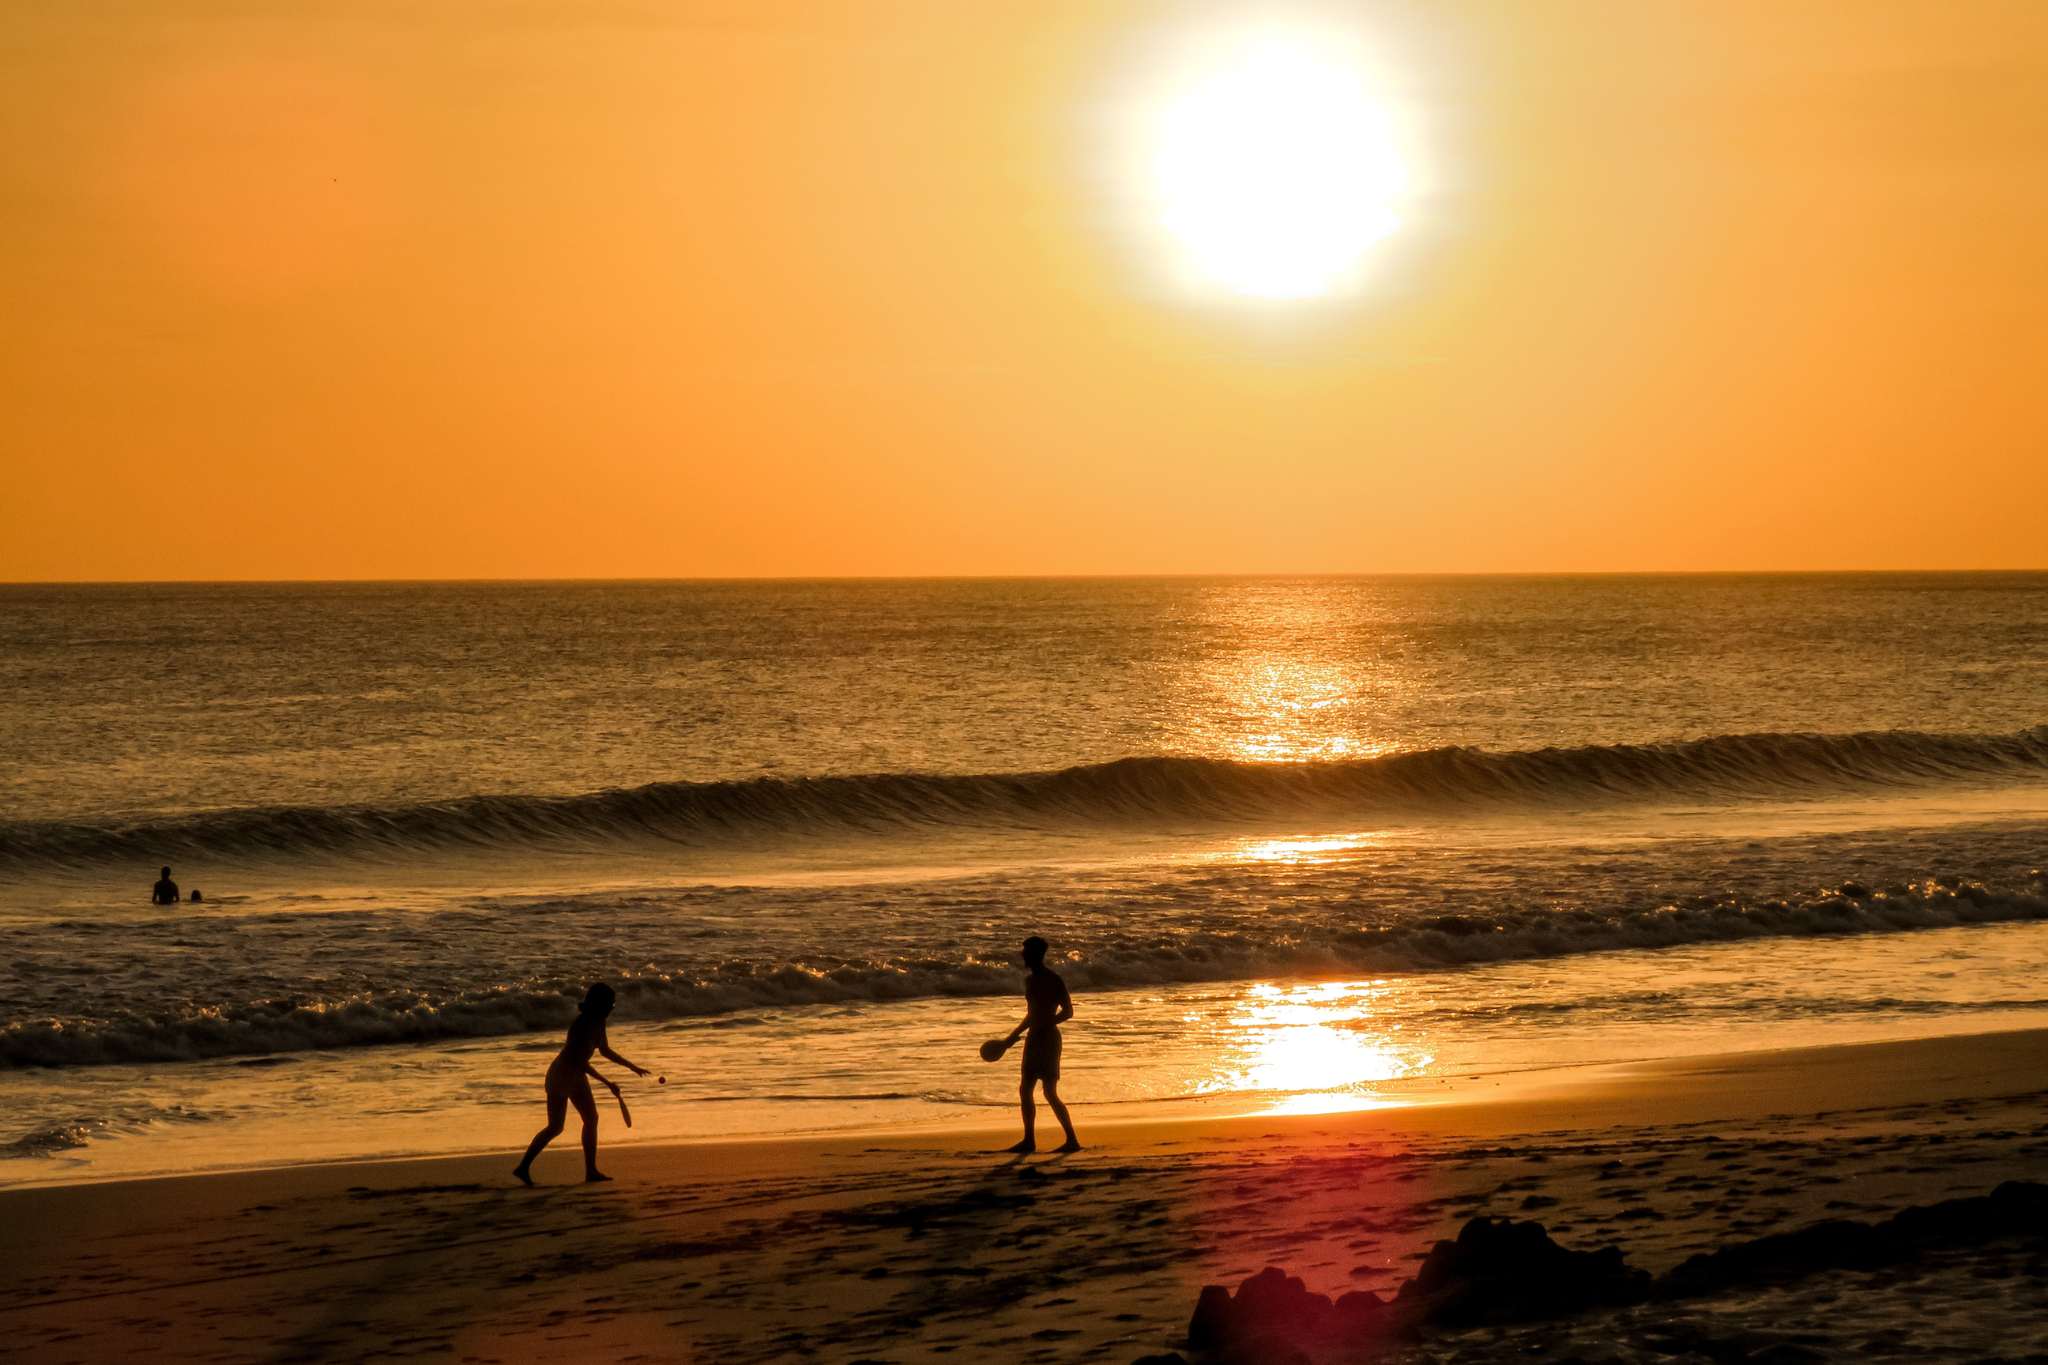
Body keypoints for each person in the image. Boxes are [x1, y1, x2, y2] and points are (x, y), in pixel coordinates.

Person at [514, 983, 648, 1185]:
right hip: (560, 1075)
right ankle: (523, 1167)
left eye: (613, 1004)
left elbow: (604, 1050)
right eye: (609, 1004)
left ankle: (591, 1171)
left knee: (591, 1118)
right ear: (597, 1004)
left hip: (576, 1076)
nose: (612, 1008)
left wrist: (632, 1067)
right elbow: (580, 1062)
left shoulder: (599, 1022)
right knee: (555, 1127)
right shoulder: (581, 1025)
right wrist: (607, 1083)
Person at [999, 935, 1080, 1153]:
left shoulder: (1053, 979)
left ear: (1035, 954)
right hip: (1034, 1037)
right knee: (1025, 1090)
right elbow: (1030, 1015)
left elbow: (1069, 1011)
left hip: (1049, 1038)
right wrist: (1010, 1038)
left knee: (1049, 1092)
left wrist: (1047, 1023)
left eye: (1025, 951)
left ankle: (1072, 1140)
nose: (1022, 954)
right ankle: (1029, 1141)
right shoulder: (1030, 980)